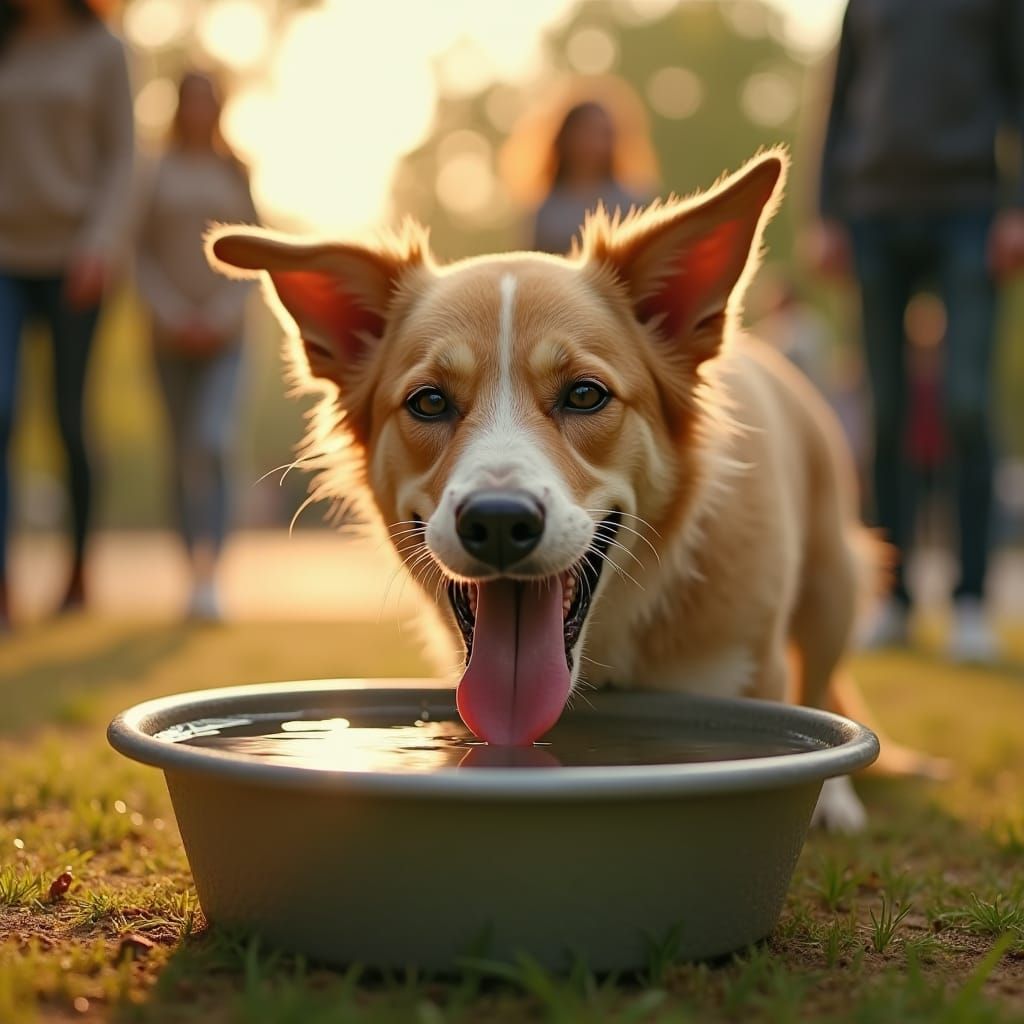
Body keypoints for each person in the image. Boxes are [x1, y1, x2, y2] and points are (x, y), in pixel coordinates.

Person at [806, 0, 1024, 662]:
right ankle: (894, 599)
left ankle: (969, 603)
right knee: (887, 409)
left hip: (970, 210)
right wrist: (825, 213)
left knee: (965, 403)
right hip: (872, 211)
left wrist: (1017, 210)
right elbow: (836, 102)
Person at [0, 0, 134, 629]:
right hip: (4, 256)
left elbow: (120, 158)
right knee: (0, 413)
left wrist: (100, 244)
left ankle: (78, 573)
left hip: (77, 259)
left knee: (67, 418)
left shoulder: (101, 48)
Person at [134, 71, 256, 622]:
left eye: (209, 101)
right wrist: (172, 312)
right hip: (168, 338)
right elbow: (137, 255)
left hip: (225, 339)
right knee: (181, 451)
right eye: (191, 101)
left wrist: (220, 314)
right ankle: (189, 569)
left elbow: (257, 256)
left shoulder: (236, 171)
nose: (199, 110)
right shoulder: (155, 173)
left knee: (212, 441)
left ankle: (213, 574)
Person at [500, 79, 659, 256]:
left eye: (603, 134)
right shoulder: (544, 210)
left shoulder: (632, 203)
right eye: (586, 133)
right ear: (565, 138)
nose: (594, 145)